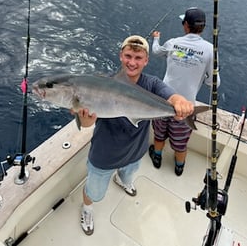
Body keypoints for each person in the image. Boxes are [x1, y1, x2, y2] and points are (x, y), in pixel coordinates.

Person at [75, 35, 194, 235]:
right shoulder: (101, 84)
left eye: (138, 58)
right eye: (128, 56)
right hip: (104, 155)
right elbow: (87, 123)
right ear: (121, 56)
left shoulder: (152, 84)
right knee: (94, 192)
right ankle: (87, 208)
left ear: (146, 60)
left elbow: (170, 95)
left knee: (128, 174)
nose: (132, 62)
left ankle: (122, 180)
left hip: (135, 152)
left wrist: (181, 102)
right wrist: (84, 117)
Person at [149, 7, 220, 176]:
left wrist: (156, 38)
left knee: (159, 135)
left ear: (185, 25)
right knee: (180, 143)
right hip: (186, 108)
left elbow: (156, 51)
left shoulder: (173, 43)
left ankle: (157, 157)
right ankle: (179, 167)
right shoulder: (210, 50)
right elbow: (213, 82)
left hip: (163, 101)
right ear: (202, 27)